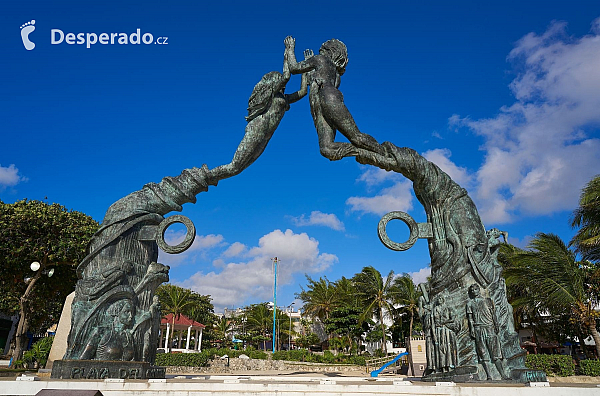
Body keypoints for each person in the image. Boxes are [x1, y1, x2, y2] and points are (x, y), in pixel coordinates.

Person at [210, 49, 311, 180]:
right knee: (235, 165)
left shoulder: (284, 98)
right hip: (258, 127)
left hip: (266, 136)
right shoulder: (271, 94)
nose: (284, 85)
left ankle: (207, 179)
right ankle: (205, 176)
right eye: (279, 81)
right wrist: (288, 54)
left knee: (237, 169)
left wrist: (306, 69)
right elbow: (286, 76)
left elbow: (302, 92)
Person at [284, 36, 385, 161]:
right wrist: (310, 69)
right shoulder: (335, 73)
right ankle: (366, 153)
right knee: (326, 148)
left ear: (330, 50)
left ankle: (385, 152)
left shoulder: (320, 59)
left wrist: (290, 48)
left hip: (327, 98)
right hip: (318, 102)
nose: (320, 49)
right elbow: (316, 82)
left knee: (356, 137)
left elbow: (294, 68)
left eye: (323, 48)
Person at [466, 284, 509, 380]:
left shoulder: (487, 300)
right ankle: (489, 375)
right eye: (472, 290)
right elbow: (470, 319)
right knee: (483, 353)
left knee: (495, 353)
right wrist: (472, 329)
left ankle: (503, 375)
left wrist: (496, 325)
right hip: (478, 328)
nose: (474, 291)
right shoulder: (469, 304)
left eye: (475, 289)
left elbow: (493, 314)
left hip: (489, 327)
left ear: (479, 290)